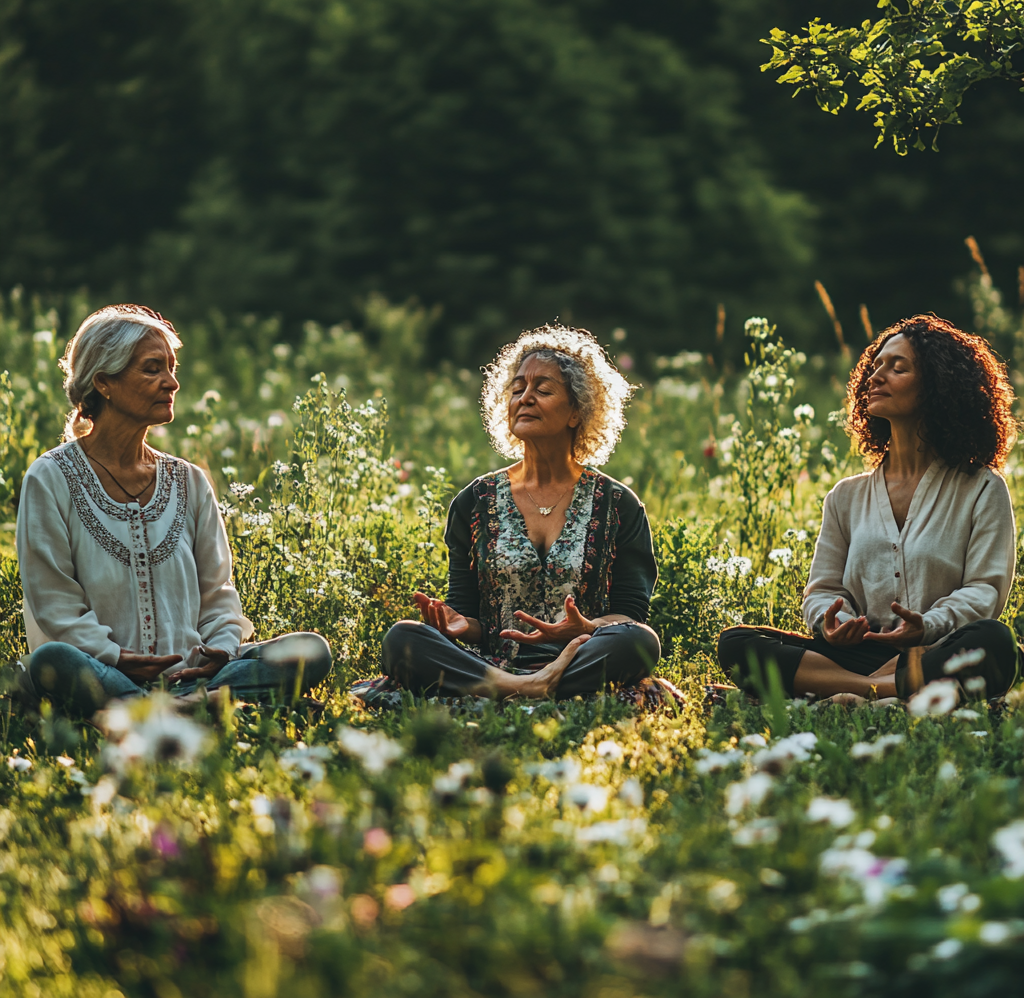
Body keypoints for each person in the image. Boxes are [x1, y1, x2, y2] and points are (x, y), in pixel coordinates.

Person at [16, 304, 332, 718]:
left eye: (171, 367)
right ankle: (200, 709)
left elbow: (217, 595)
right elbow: (55, 605)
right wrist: (116, 657)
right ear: (104, 383)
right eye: (152, 369)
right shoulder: (50, 478)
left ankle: (169, 709)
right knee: (52, 660)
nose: (172, 382)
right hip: (106, 670)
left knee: (312, 651)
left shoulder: (189, 481)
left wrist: (219, 648)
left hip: (194, 674)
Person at [718, 314, 1019, 703]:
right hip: (857, 655)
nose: (876, 377)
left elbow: (983, 592)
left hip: (935, 650)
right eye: (876, 366)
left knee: (995, 641)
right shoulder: (845, 497)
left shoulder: (981, 487)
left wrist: (926, 626)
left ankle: (835, 692)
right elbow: (823, 590)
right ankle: (885, 692)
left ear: (938, 387)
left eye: (898, 367)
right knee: (738, 643)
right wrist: (833, 625)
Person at [375, 324, 661, 700]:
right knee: (403, 638)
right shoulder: (473, 502)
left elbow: (630, 613)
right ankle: (527, 687)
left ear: (578, 411)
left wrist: (586, 626)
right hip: (493, 662)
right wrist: (460, 624)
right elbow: (468, 613)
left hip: (580, 656)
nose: (524, 398)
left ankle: (518, 688)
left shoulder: (618, 504)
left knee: (640, 641)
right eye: (517, 389)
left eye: (542, 390)